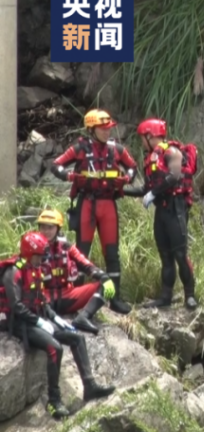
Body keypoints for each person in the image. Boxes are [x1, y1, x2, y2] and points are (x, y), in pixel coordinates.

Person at [1, 232, 115, 419]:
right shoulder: (14, 271)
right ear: (29, 254)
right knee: (55, 348)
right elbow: (16, 306)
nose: (41, 260)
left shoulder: (35, 268)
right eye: (38, 256)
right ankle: (54, 400)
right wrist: (38, 322)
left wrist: (54, 318)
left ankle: (89, 385)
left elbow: (40, 299)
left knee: (77, 338)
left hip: (38, 318)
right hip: (22, 323)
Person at [50, 108, 137, 315]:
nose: (107, 132)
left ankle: (114, 298)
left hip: (108, 204)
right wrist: (70, 177)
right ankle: (77, 297)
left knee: (112, 253)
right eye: (102, 128)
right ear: (92, 129)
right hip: (87, 204)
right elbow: (56, 165)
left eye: (109, 128)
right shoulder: (80, 147)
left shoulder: (117, 149)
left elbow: (133, 168)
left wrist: (127, 178)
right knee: (81, 252)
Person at [136, 118, 199, 310]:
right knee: (165, 256)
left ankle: (190, 295)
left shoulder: (172, 152)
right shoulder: (151, 158)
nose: (141, 142)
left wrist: (152, 193)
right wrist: (119, 192)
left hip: (176, 208)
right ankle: (165, 296)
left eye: (142, 138)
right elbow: (146, 189)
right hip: (161, 211)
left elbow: (174, 176)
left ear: (150, 136)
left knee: (180, 254)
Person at [36, 209, 115, 334]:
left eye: (50, 228)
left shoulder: (66, 247)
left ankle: (83, 317)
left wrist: (103, 276)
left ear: (57, 228)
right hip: (44, 298)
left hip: (67, 295)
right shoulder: (32, 246)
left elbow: (84, 263)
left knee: (105, 285)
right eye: (43, 227)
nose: (46, 231)